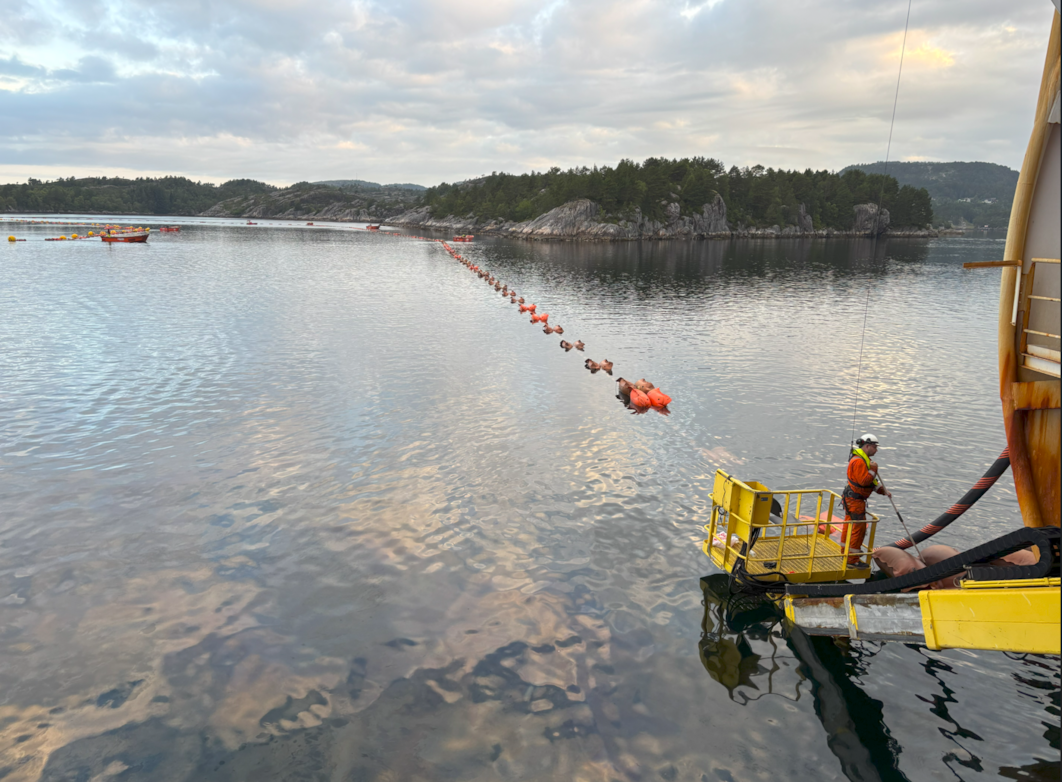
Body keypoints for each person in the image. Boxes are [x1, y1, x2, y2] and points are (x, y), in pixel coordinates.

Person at [841, 434, 891, 559]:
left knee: (850, 526)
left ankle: (846, 552)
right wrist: (874, 470)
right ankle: (851, 559)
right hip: (855, 501)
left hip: (853, 499)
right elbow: (864, 481)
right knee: (857, 529)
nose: (876, 450)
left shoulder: (864, 461)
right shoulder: (858, 461)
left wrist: (882, 490)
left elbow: (870, 483)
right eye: (875, 447)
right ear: (867, 446)